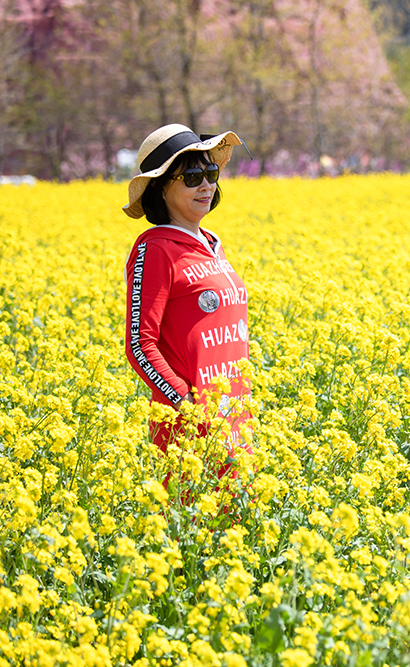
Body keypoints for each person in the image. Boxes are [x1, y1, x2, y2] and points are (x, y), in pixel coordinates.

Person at [123, 123, 253, 480]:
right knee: (196, 528)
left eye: (210, 172)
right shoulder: (156, 249)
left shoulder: (211, 243)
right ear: (161, 189)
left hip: (232, 415)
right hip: (189, 424)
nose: (207, 185)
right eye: (192, 176)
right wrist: (186, 403)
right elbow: (139, 343)